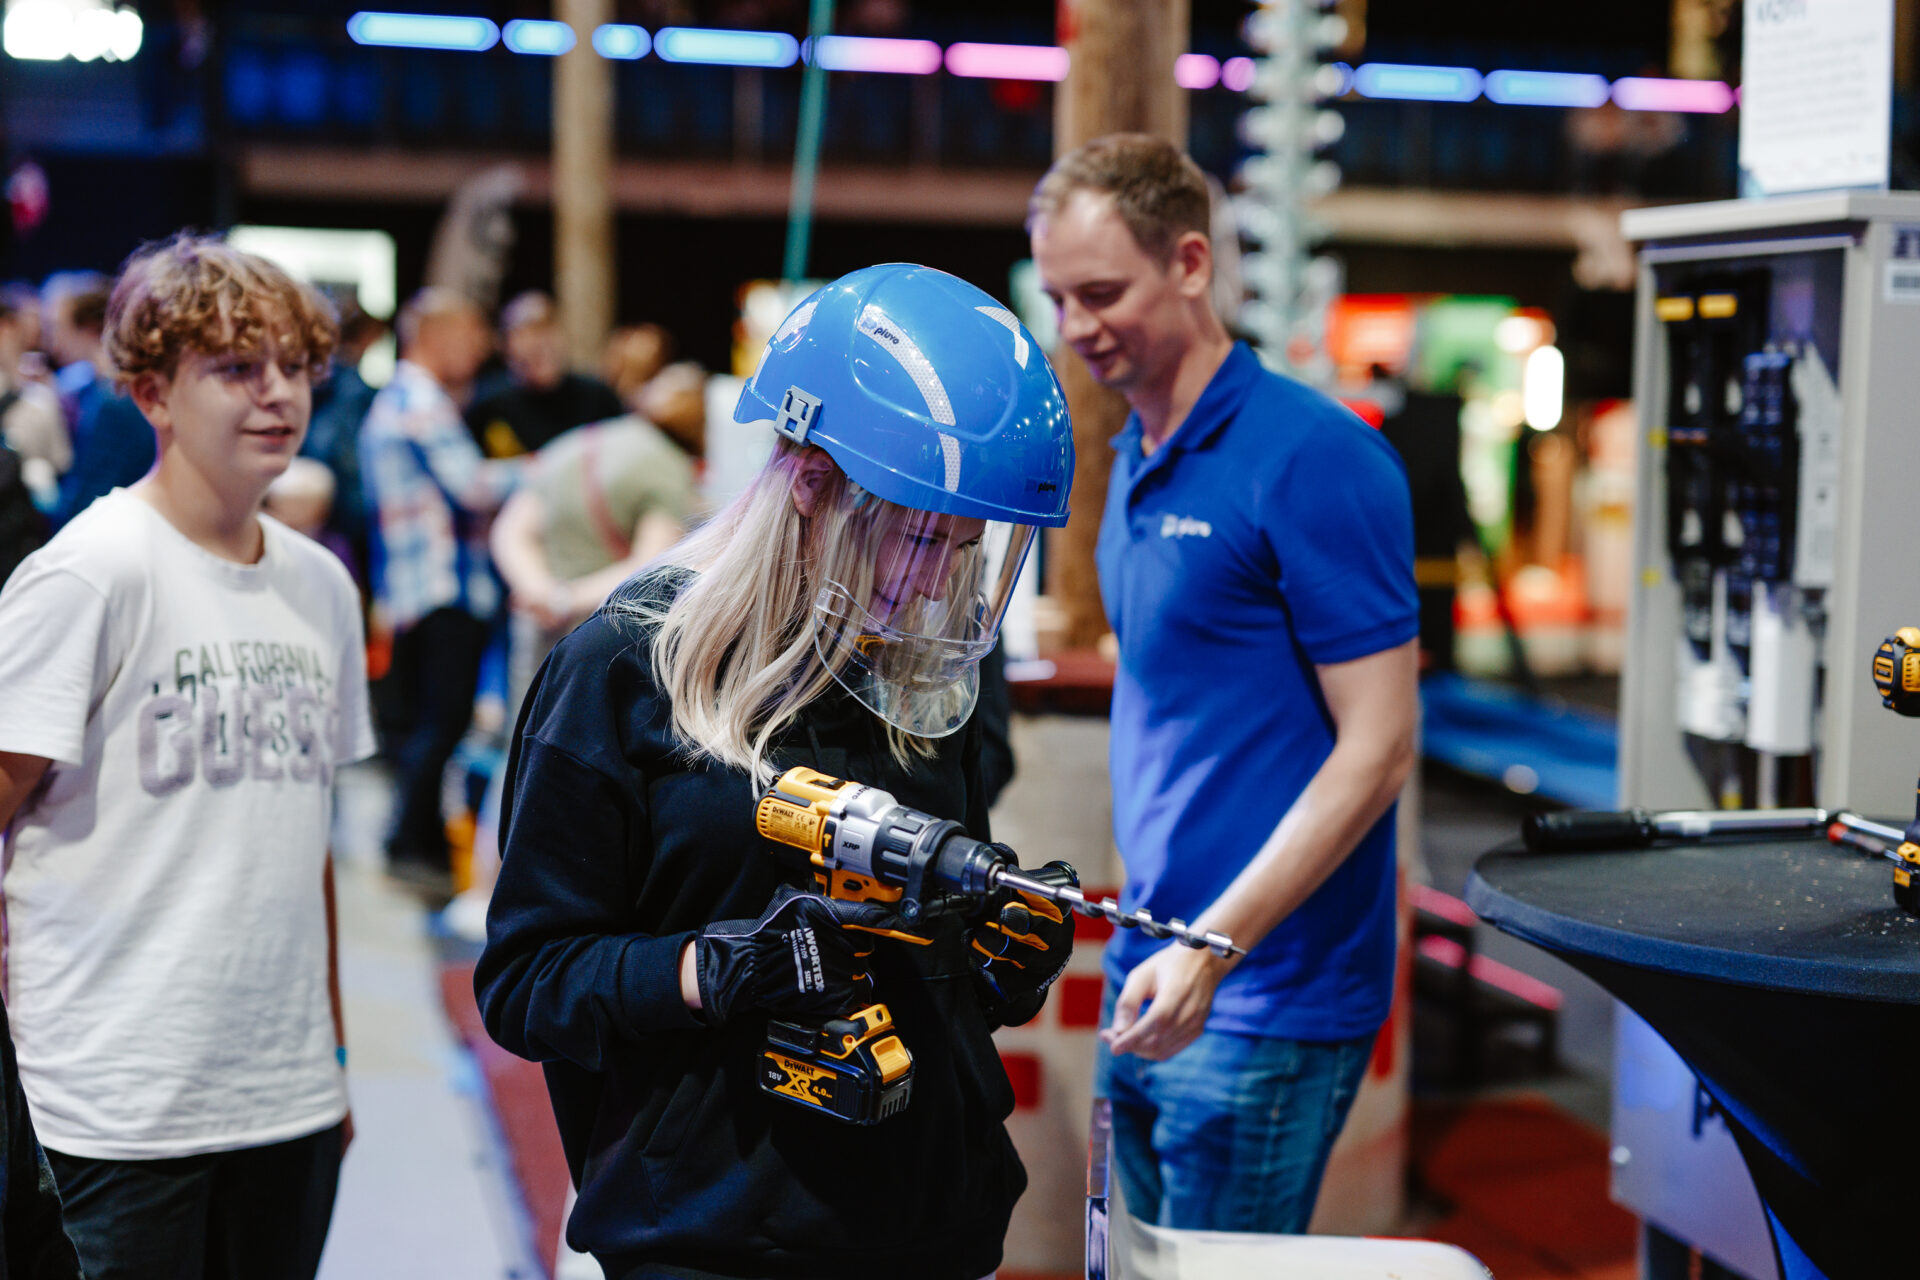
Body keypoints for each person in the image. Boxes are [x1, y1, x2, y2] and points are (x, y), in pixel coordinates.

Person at [474, 264, 1076, 1278]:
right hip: (714, 1234)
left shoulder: (927, 671)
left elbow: (906, 945)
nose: (937, 579)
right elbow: (528, 983)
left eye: (966, 547)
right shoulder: (627, 667)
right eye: (920, 536)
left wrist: (983, 958)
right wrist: (705, 972)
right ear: (808, 481)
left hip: (931, 1221)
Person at [1029, 135, 1419, 1233]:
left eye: (1102, 293)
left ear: (1190, 264)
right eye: (1058, 298)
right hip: (1151, 963)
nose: (1075, 327)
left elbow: (1381, 746)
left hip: (1265, 994)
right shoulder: (1138, 454)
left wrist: (1213, 945)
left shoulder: (1312, 456)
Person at [0, 233, 372, 1277]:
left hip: (286, 1103)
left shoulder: (321, 585)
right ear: (152, 391)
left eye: (295, 365)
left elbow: (306, 843)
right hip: (111, 1109)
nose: (278, 393)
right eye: (238, 367)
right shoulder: (91, 573)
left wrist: (332, 1055)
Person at [358, 287, 517, 889]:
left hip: (417, 588)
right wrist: (551, 467)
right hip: (443, 587)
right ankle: (411, 847)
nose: (479, 353)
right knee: (441, 722)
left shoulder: (399, 397)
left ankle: (414, 843)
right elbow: (475, 486)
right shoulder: (420, 399)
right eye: (471, 339)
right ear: (438, 335)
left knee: (431, 722)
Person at [41, 275, 156, 528]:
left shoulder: (114, 397)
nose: (50, 340)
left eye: (56, 326)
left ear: (90, 328)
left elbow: (94, 490)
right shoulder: (92, 388)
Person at [467, 290, 623, 458]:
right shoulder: (487, 403)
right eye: (527, 334)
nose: (539, 343)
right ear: (506, 345)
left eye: (546, 331)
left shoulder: (597, 396)